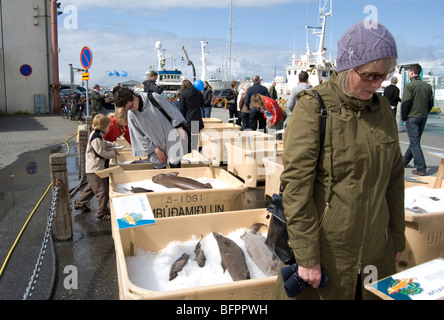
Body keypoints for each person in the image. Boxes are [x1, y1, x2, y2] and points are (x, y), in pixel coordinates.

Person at [275, 21, 405, 300]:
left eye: (385, 75)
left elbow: (393, 180)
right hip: (327, 255)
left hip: (375, 254)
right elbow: (296, 188)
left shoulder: (382, 109)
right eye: (369, 75)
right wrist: (308, 256)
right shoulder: (314, 108)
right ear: (347, 67)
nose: (378, 83)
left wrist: (397, 237)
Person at [114, 87, 186, 169]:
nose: (131, 109)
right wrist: (156, 150)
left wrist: (180, 130)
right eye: (128, 109)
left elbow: (173, 112)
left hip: (171, 139)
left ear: (133, 96)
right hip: (155, 148)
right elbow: (138, 136)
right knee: (160, 173)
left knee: (175, 165)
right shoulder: (131, 115)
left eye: (131, 106)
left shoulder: (153, 98)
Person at [72, 114, 121, 221]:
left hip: (92, 169)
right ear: (104, 127)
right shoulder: (96, 137)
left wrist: (113, 145)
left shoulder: (97, 135)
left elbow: (103, 144)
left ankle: (79, 204)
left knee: (91, 189)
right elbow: (100, 152)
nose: (109, 128)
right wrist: (113, 153)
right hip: (95, 169)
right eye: (108, 126)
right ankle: (102, 213)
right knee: (102, 191)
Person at [402, 64, 434, 176]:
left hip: (412, 117)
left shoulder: (409, 86)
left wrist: (404, 117)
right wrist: (425, 112)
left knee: (415, 142)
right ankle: (404, 161)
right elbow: (431, 103)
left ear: (411, 72)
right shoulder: (427, 86)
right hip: (423, 116)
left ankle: (421, 168)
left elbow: (406, 103)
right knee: (415, 141)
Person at [178, 79, 205, 153]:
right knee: (195, 137)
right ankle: (195, 152)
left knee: (187, 138)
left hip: (187, 119)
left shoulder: (183, 94)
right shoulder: (198, 92)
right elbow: (202, 104)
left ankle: (188, 154)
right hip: (196, 118)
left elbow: (181, 108)